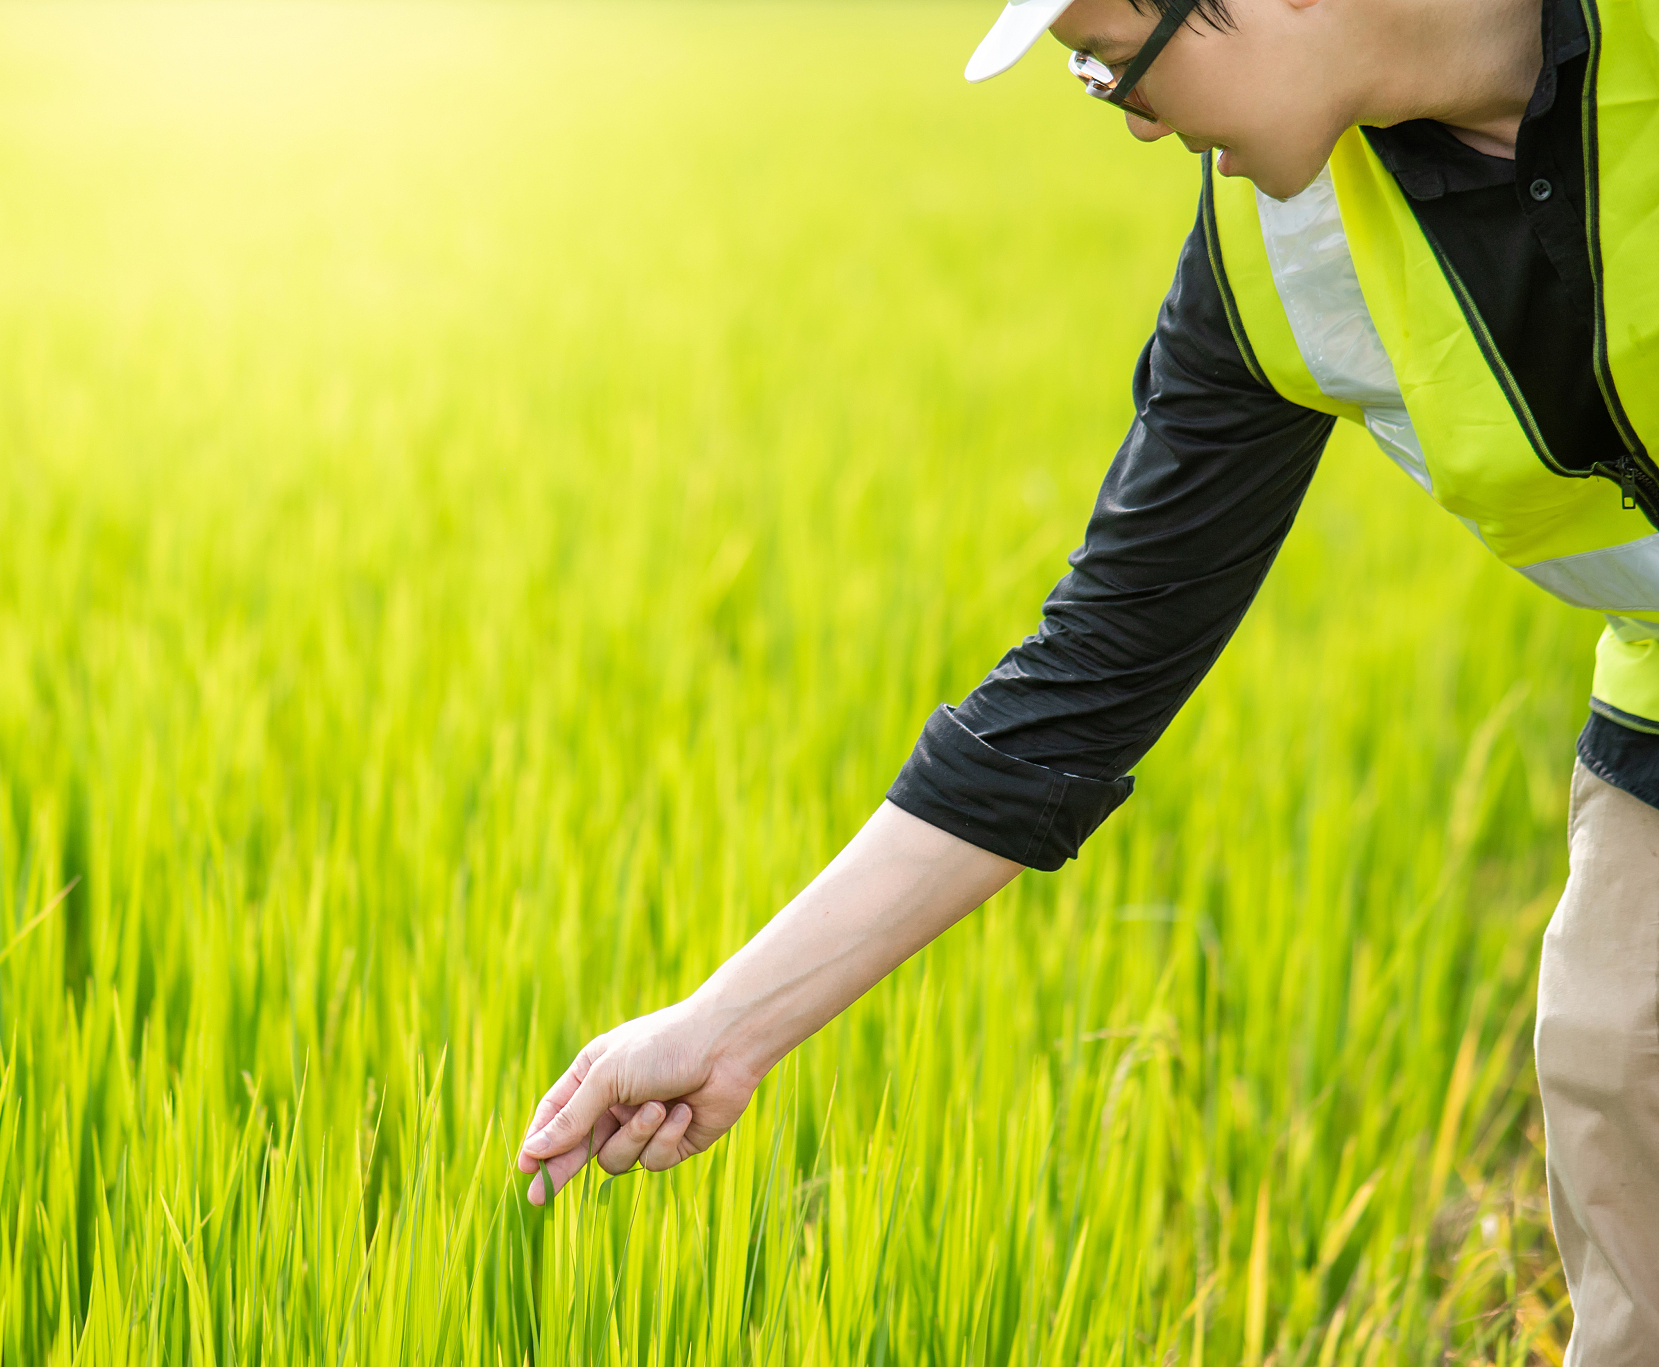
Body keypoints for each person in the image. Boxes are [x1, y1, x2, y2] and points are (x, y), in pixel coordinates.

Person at [514, 0, 1659, 1355]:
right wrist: (724, 1027)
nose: (1131, 112)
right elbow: (1091, 671)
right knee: (1619, 1068)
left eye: (1119, 55)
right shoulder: (1275, 256)